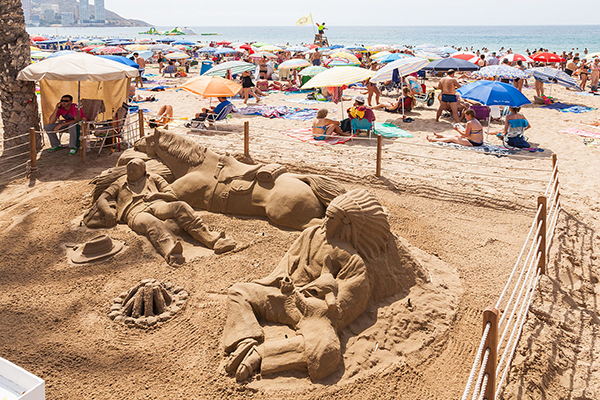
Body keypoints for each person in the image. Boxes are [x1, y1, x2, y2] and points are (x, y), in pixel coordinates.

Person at [221, 189, 390, 382]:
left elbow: (347, 302)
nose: (325, 222)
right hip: (286, 298)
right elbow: (289, 260)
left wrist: (320, 300)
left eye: (331, 218)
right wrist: (284, 278)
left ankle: (261, 354)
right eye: (325, 216)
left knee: (326, 352)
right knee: (239, 292)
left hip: (314, 313)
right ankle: (245, 341)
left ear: (346, 224)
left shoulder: (352, 260)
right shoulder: (310, 234)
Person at [94, 159, 235, 265]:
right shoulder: (120, 182)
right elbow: (102, 199)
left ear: (143, 171)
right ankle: (170, 251)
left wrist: (156, 195)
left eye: (134, 170)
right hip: (135, 212)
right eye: (128, 170)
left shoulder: (154, 178)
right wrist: (108, 212)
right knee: (152, 223)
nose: (130, 173)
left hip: (157, 204)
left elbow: (172, 196)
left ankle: (211, 239)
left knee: (181, 206)